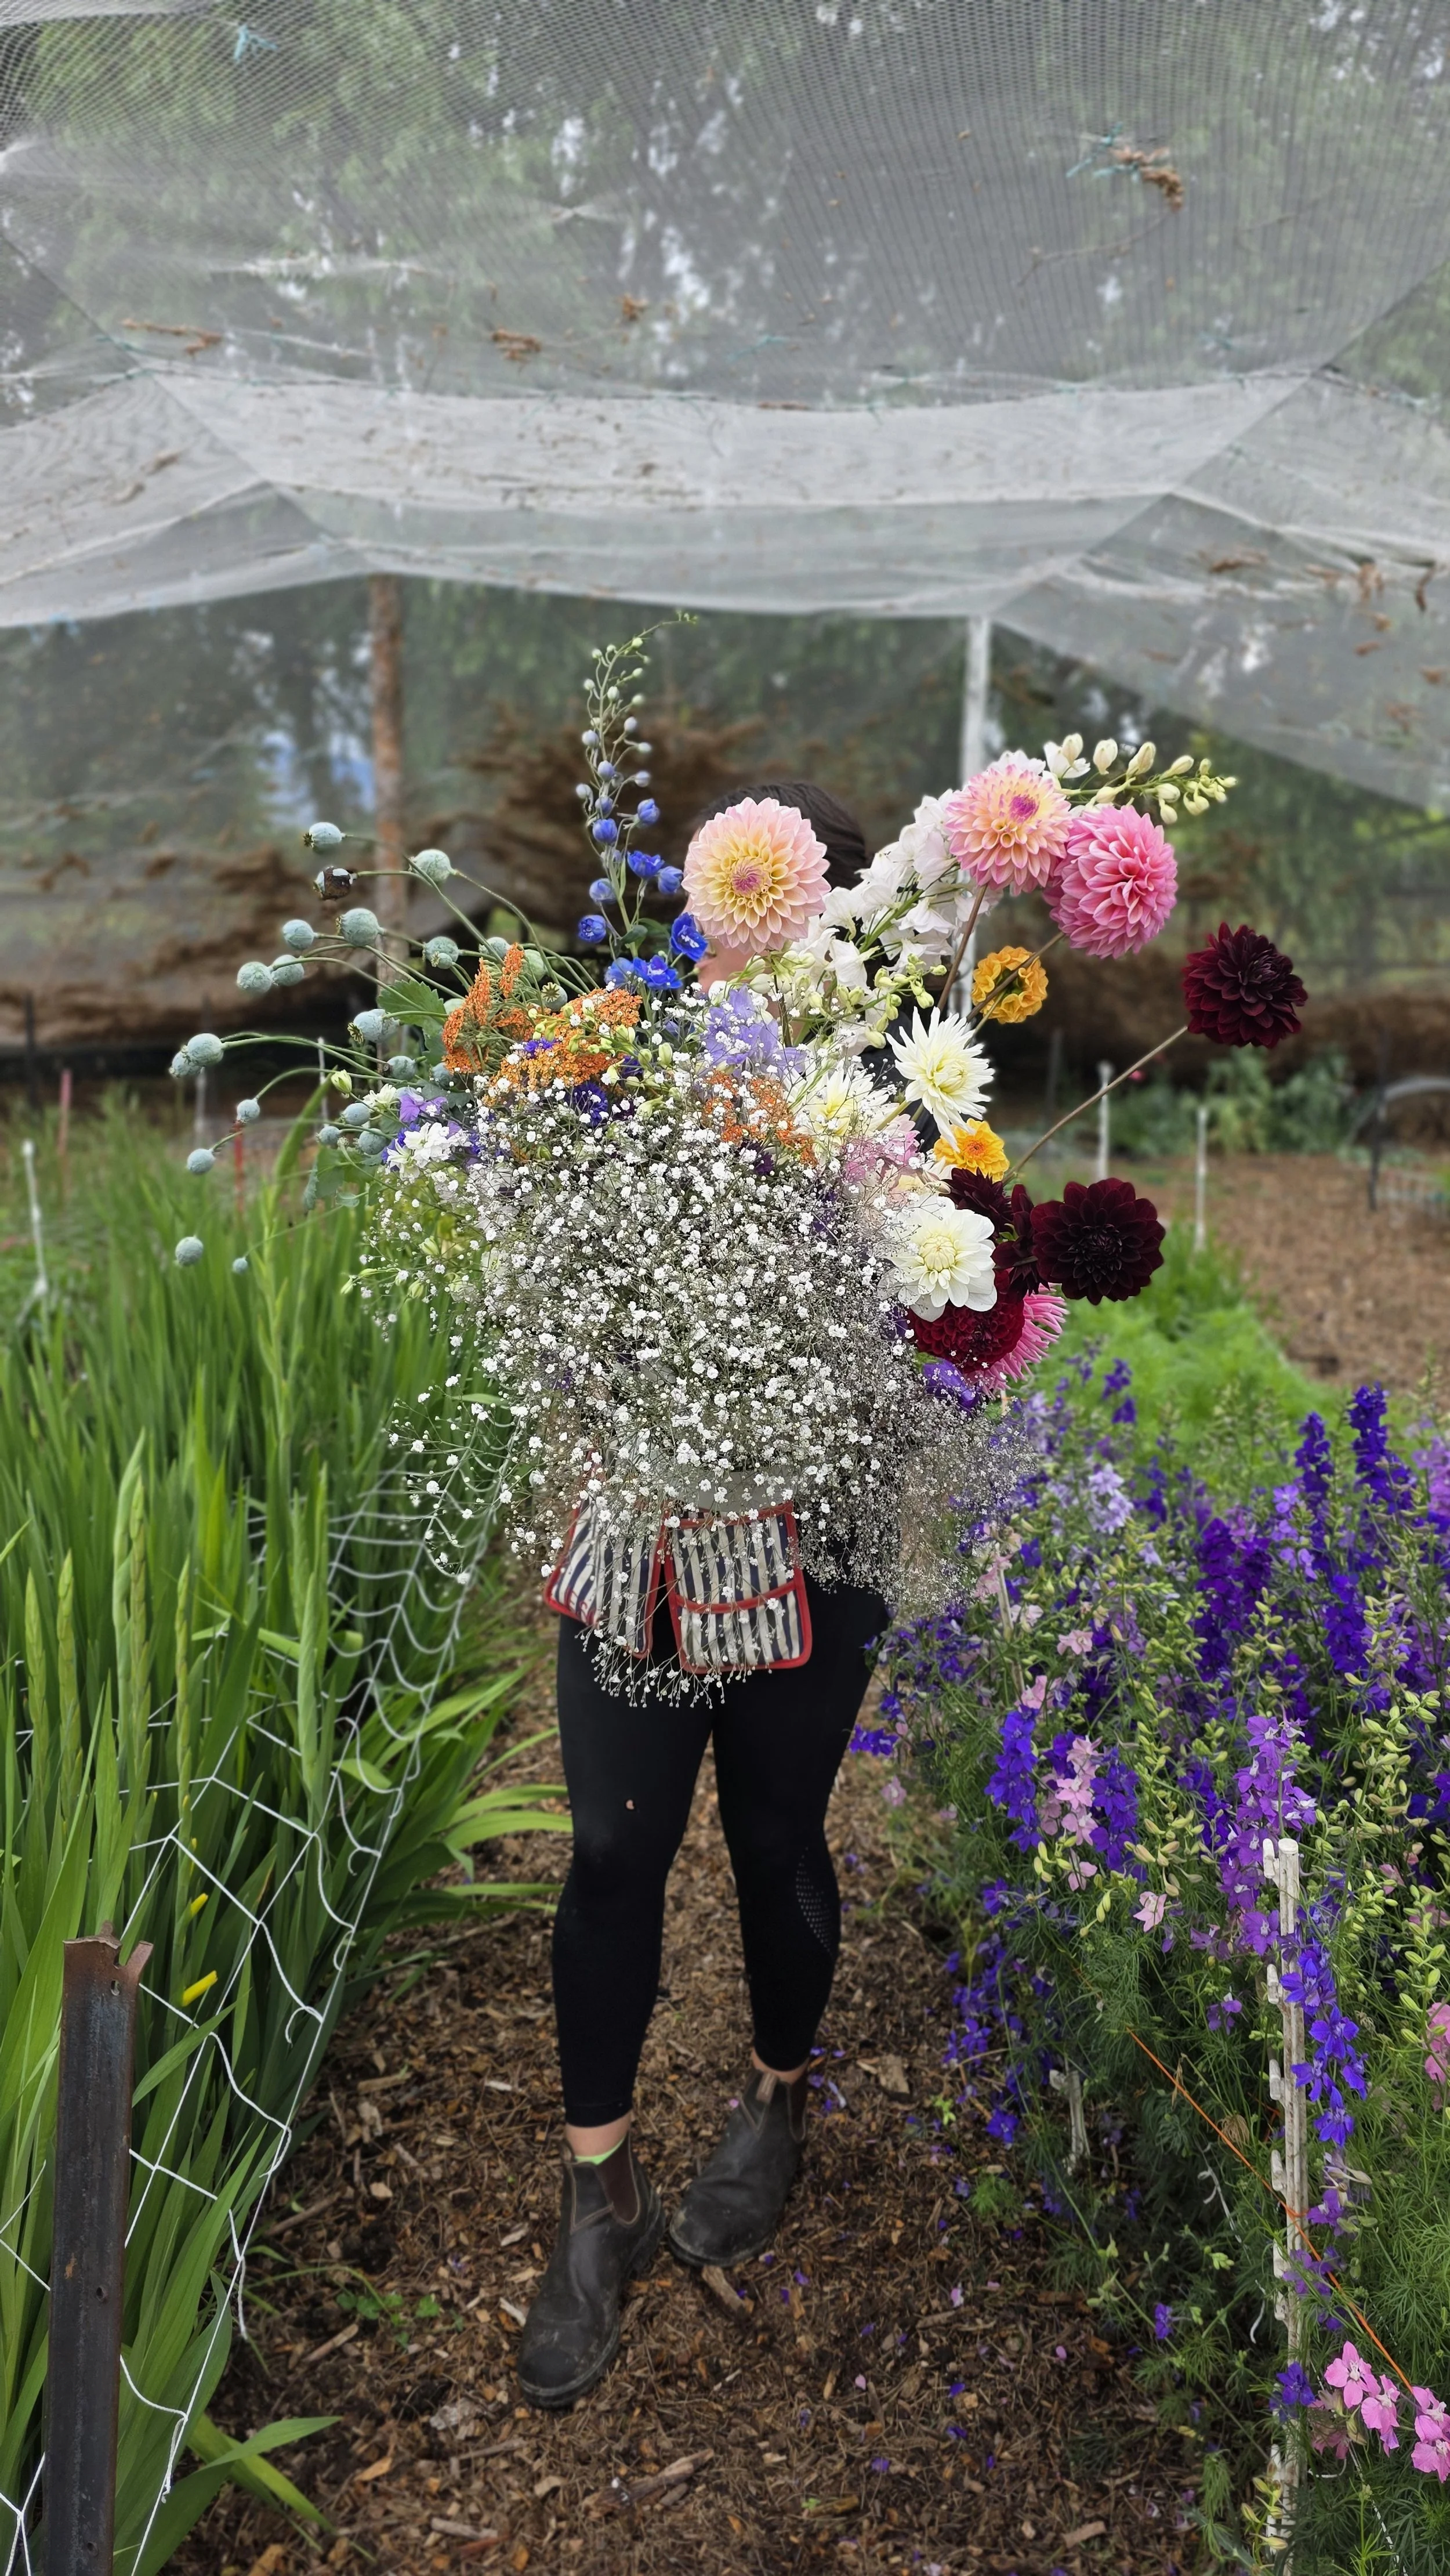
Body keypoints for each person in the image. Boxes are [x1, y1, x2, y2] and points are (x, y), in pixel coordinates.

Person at [518, 782, 889, 2411]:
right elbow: (547, 1285)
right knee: (610, 1847)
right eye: (728, 901)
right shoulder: (609, 1062)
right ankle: (597, 2192)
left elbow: (941, 1301)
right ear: (690, 916)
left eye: (784, 901)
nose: (754, 925)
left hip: (819, 1530)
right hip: (651, 1526)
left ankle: (777, 2096)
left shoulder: (873, 1081)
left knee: (775, 1836)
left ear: (823, 925)